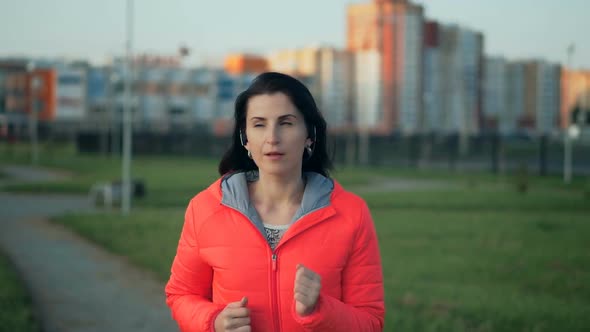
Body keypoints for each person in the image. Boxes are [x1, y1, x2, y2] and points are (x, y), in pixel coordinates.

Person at [165, 72, 385, 331]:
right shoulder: (205, 209)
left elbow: (371, 321)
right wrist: (212, 321)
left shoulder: (351, 213)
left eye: (287, 123)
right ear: (244, 138)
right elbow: (181, 295)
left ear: (309, 134)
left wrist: (320, 309)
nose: (272, 137)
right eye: (259, 124)